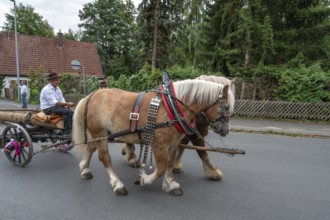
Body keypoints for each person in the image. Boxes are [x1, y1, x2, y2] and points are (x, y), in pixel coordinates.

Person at [40, 73, 74, 139]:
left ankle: (69, 129)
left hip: (55, 107)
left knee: (72, 112)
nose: (57, 81)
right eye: (55, 80)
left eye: (58, 80)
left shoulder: (58, 89)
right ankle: (66, 133)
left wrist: (66, 106)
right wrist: (67, 104)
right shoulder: (47, 89)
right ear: (51, 81)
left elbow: (61, 99)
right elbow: (54, 103)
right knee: (67, 112)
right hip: (48, 108)